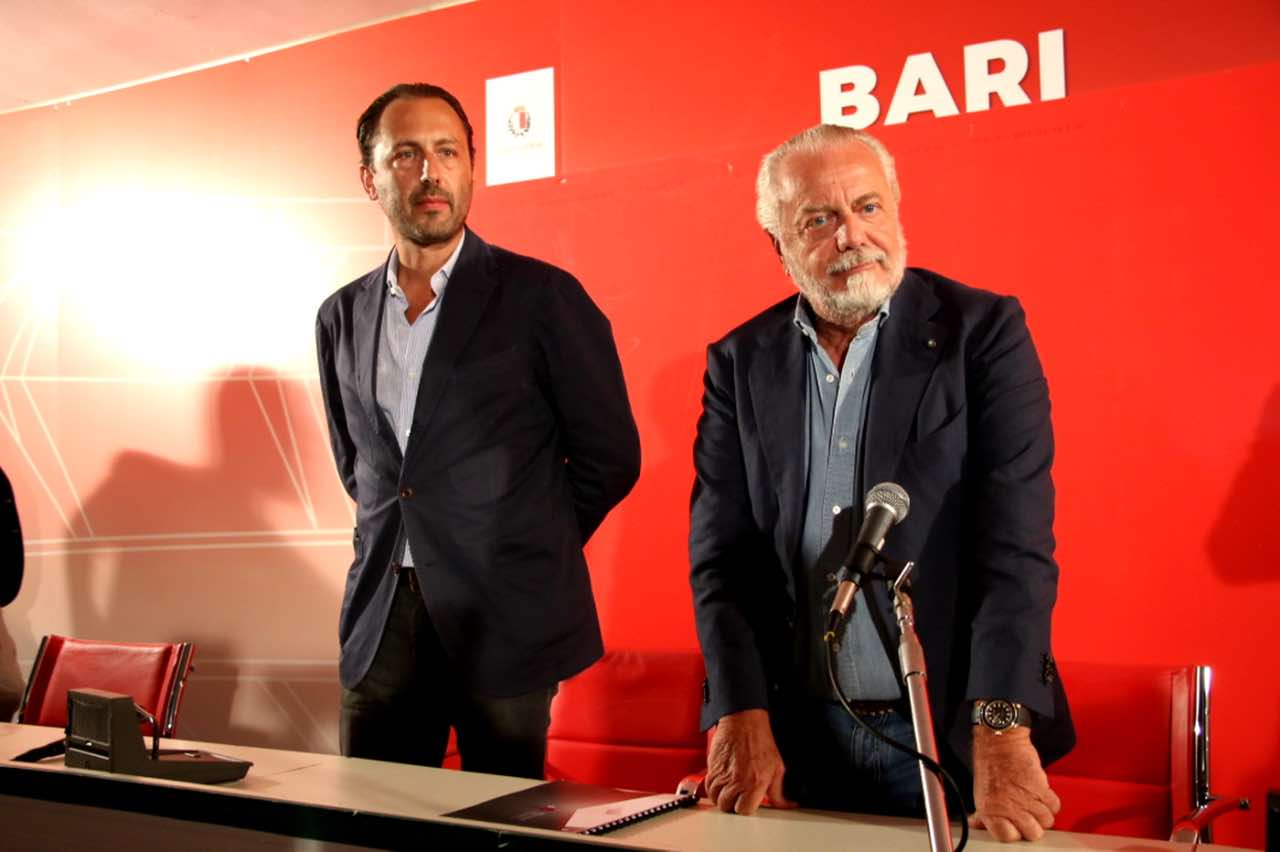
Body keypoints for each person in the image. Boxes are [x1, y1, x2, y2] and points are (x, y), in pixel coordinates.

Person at [689, 124, 1074, 842]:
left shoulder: (982, 334)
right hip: (799, 739)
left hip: (947, 736)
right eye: (818, 220)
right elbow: (724, 562)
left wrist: (1000, 725)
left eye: (867, 207)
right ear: (778, 245)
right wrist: (738, 710)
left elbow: (1015, 550)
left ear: (896, 211)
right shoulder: (739, 362)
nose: (851, 236)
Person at [315, 83, 640, 778]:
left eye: (447, 152)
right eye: (407, 155)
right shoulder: (339, 316)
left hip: (505, 614)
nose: (431, 173)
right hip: (384, 620)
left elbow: (610, 457)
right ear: (370, 178)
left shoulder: (542, 297)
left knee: (503, 817)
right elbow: (360, 466)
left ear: (471, 166)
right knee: (373, 816)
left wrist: (523, 541)